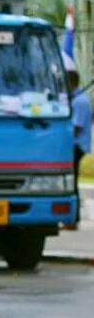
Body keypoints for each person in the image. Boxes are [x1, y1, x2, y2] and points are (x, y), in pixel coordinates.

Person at [67, 70, 91, 229]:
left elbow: (77, 127)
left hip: (77, 145)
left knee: (72, 181)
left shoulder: (80, 101)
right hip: (73, 144)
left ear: (71, 82)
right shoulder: (74, 99)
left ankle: (73, 219)